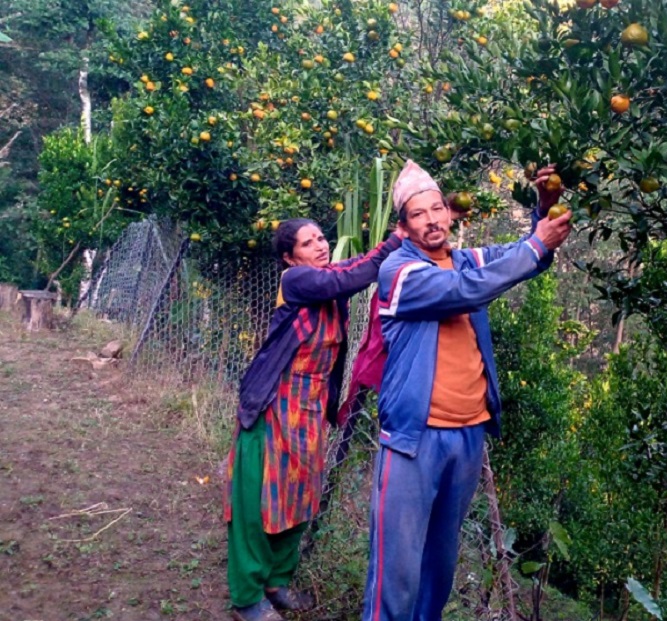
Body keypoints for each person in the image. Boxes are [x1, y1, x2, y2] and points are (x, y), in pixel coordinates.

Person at [362, 160, 572, 621]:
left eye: (438, 208)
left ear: (450, 214)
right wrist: (536, 246)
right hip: (413, 441)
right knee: (395, 572)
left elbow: (522, 257)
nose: (433, 219)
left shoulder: (464, 258)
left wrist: (544, 208)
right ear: (403, 227)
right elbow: (464, 290)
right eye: (419, 214)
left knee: (439, 566)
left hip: (467, 437)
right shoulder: (399, 273)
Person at [223, 218, 403, 621]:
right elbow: (347, 278)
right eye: (308, 243)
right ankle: (248, 597)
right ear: (290, 257)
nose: (321, 246)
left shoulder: (329, 281)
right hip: (272, 407)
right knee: (257, 504)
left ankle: (276, 582)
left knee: (299, 499)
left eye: (322, 237)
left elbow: (350, 270)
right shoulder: (297, 282)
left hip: (309, 413)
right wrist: (395, 240)